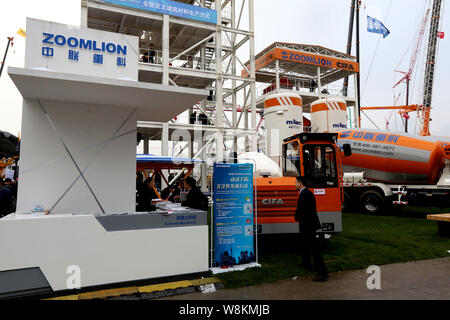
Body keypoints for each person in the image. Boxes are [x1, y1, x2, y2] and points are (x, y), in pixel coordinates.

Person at [295, 176, 329, 282]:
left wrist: (297, 216)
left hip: (308, 226)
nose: (294, 184)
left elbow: (303, 210)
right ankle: (306, 263)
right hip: (307, 225)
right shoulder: (306, 193)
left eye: (296, 182)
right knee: (305, 245)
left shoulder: (305, 194)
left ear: (300, 183)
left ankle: (322, 273)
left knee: (315, 250)